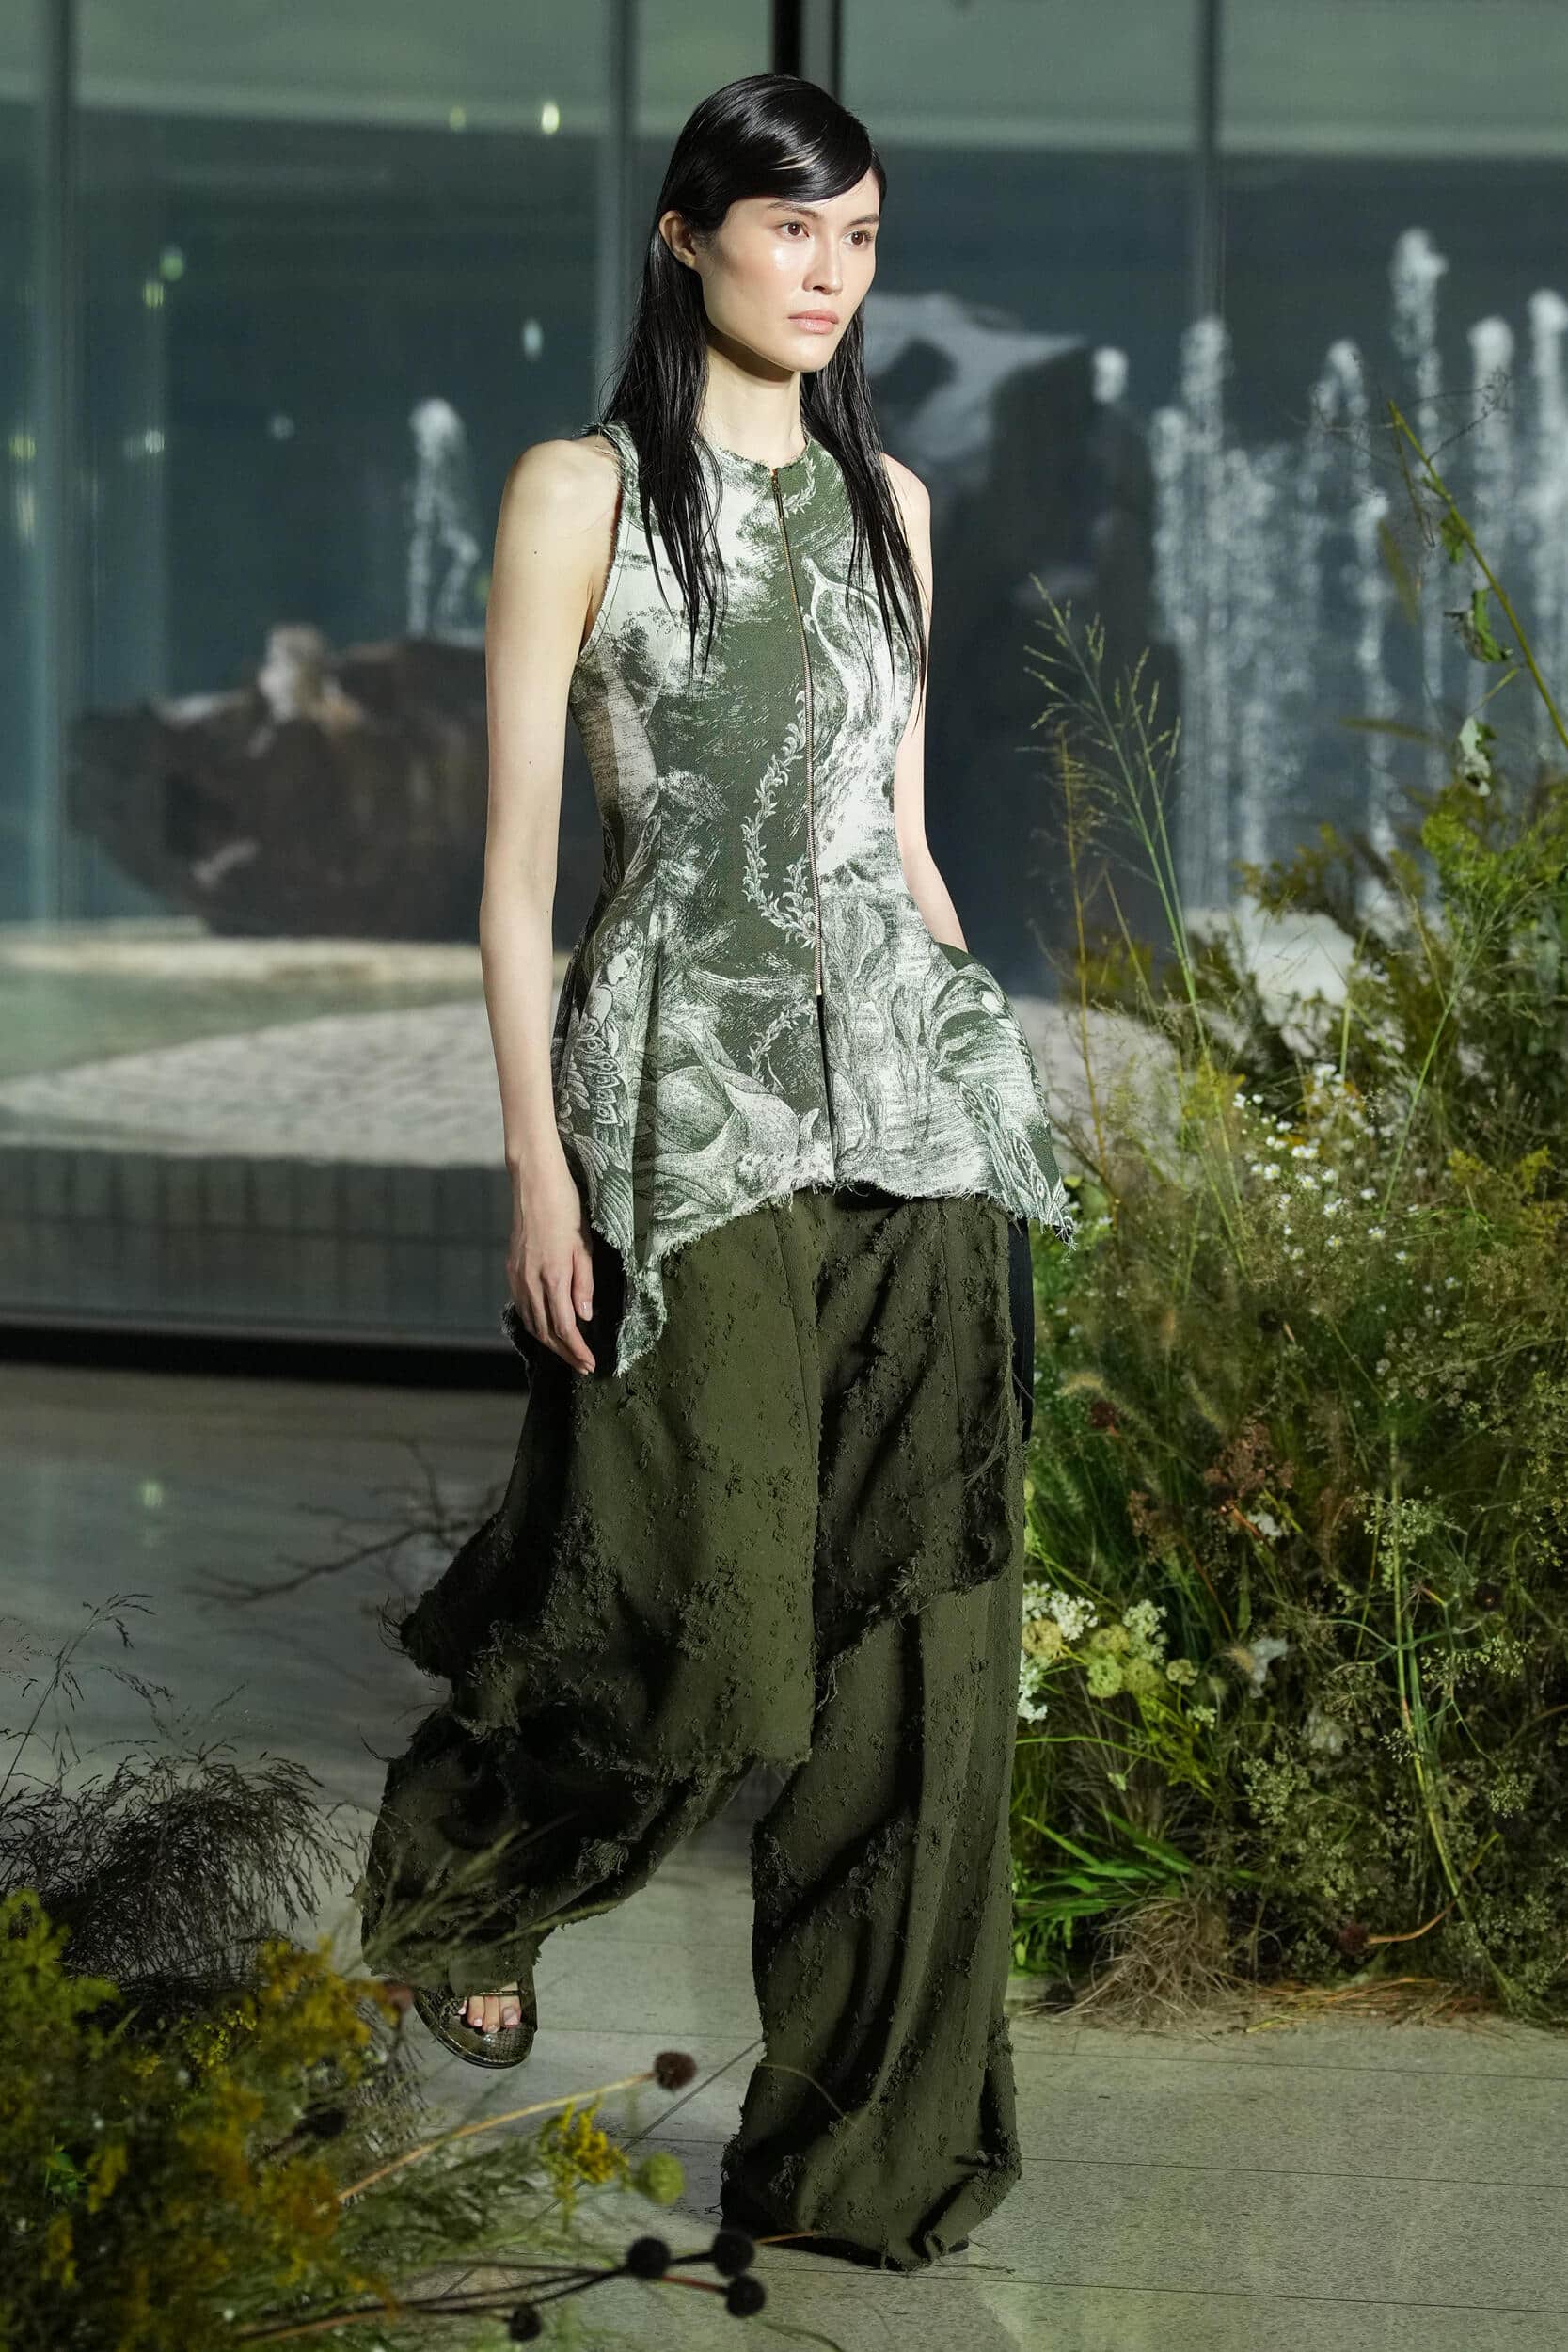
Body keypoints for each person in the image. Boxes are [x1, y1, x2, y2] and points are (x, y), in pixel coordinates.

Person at [357, 70, 1074, 2272]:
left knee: (919, 1653)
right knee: (698, 1598)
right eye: (793, 230)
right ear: (688, 236)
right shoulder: (576, 489)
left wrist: (1002, 1079)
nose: (831, 273)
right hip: (683, 1107)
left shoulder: (895, 504)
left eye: (861, 238)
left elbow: (901, 840)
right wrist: (537, 1170)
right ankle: (470, 1865)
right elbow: (517, 880)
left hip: (916, 1109)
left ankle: (863, 2155)